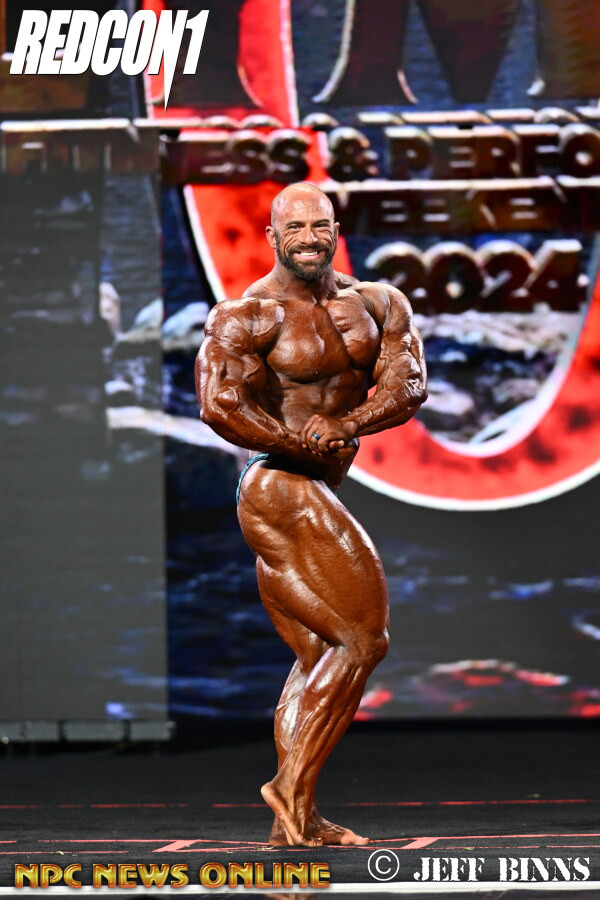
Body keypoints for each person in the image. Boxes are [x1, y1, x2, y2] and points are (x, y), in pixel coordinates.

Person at [196, 182, 427, 846]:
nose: (308, 238)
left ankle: (295, 818)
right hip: (277, 482)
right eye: (294, 228)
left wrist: (348, 423)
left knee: (321, 652)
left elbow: (410, 382)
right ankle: (288, 787)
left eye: (319, 226)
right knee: (365, 639)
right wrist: (297, 442)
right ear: (273, 237)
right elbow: (219, 405)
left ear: (335, 232)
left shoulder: (379, 302)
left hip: (312, 484)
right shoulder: (247, 315)